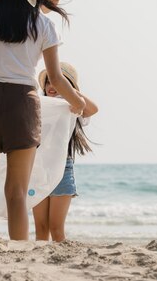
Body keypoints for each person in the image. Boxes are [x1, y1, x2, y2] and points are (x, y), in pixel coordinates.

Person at [0, 0, 86, 240]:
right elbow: (55, 77)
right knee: (17, 191)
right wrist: (77, 102)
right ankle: (19, 249)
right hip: (23, 104)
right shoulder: (42, 24)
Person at [33, 63, 98, 241]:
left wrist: (71, 92)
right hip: (37, 169)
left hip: (63, 168)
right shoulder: (38, 104)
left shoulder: (73, 107)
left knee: (56, 227)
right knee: (40, 227)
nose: (52, 86)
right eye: (49, 82)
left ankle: (58, 265)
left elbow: (93, 109)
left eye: (57, 82)